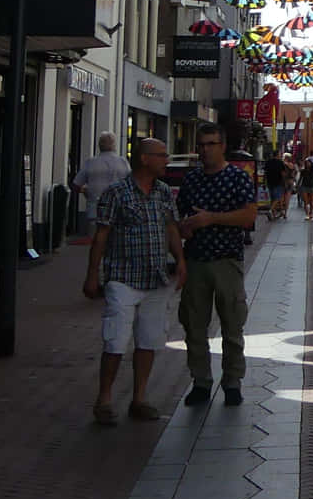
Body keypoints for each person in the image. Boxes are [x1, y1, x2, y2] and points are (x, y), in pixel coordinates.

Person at [83, 139, 185, 427]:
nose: (166, 160)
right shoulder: (116, 193)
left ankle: (139, 398)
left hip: (156, 277)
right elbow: (102, 235)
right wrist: (93, 273)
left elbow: (171, 226)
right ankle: (104, 399)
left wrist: (180, 260)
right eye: (161, 155)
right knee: (115, 338)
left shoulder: (163, 192)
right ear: (144, 159)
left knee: (149, 340)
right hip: (123, 277)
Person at [176, 124, 257, 408]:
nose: (205, 150)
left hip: (226, 261)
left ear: (222, 146)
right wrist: (184, 227)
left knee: (232, 326)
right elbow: (180, 215)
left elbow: (248, 217)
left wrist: (211, 219)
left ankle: (232, 382)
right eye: (201, 145)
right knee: (194, 326)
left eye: (211, 144)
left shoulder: (237, 177)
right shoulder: (192, 180)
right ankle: (200, 382)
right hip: (196, 260)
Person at [71, 132, 132, 237]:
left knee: (96, 242)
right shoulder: (123, 162)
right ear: (114, 145)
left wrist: (86, 191)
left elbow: (76, 185)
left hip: (95, 211)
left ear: (99, 145)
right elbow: (131, 184)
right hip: (119, 212)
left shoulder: (91, 162)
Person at [262, 150, 287, 221]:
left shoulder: (268, 162)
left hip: (269, 182)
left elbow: (265, 173)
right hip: (278, 182)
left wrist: (264, 182)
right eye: (280, 154)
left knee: (272, 198)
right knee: (278, 198)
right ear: (278, 155)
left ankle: (273, 215)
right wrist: (284, 183)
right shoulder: (280, 163)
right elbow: (283, 174)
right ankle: (270, 211)